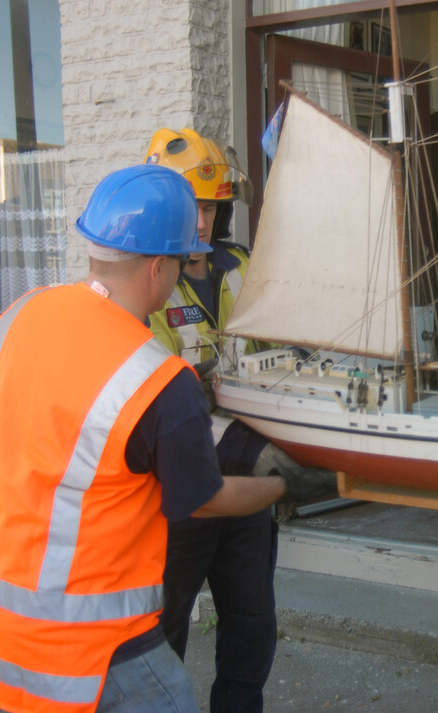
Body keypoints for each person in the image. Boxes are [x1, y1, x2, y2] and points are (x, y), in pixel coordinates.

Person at [0, 165, 332, 713]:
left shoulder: (20, 315)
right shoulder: (156, 378)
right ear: (159, 268)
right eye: (181, 261)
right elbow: (203, 499)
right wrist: (286, 486)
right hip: (90, 644)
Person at [144, 128, 325, 713]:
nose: (200, 221)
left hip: (246, 477)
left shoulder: (241, 263)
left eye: (210, 207)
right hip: (183, 486)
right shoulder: (150, 284)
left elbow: (280, 337)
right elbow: (161, 396)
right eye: (190, 207)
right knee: (163, 627)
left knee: (251, 620)